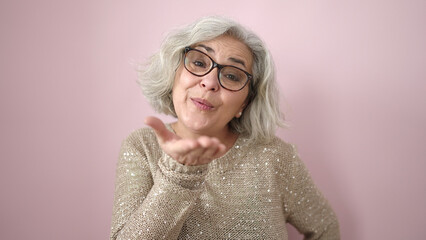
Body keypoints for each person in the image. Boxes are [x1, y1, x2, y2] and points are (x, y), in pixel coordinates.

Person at [110, 16, 340, 240]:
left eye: (231, 75)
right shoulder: (141, 146)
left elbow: (325, 227)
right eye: (199, 62)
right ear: (174, 73)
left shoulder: (275, 157)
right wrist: (179, 175)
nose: (209, 83)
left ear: (244, 103)